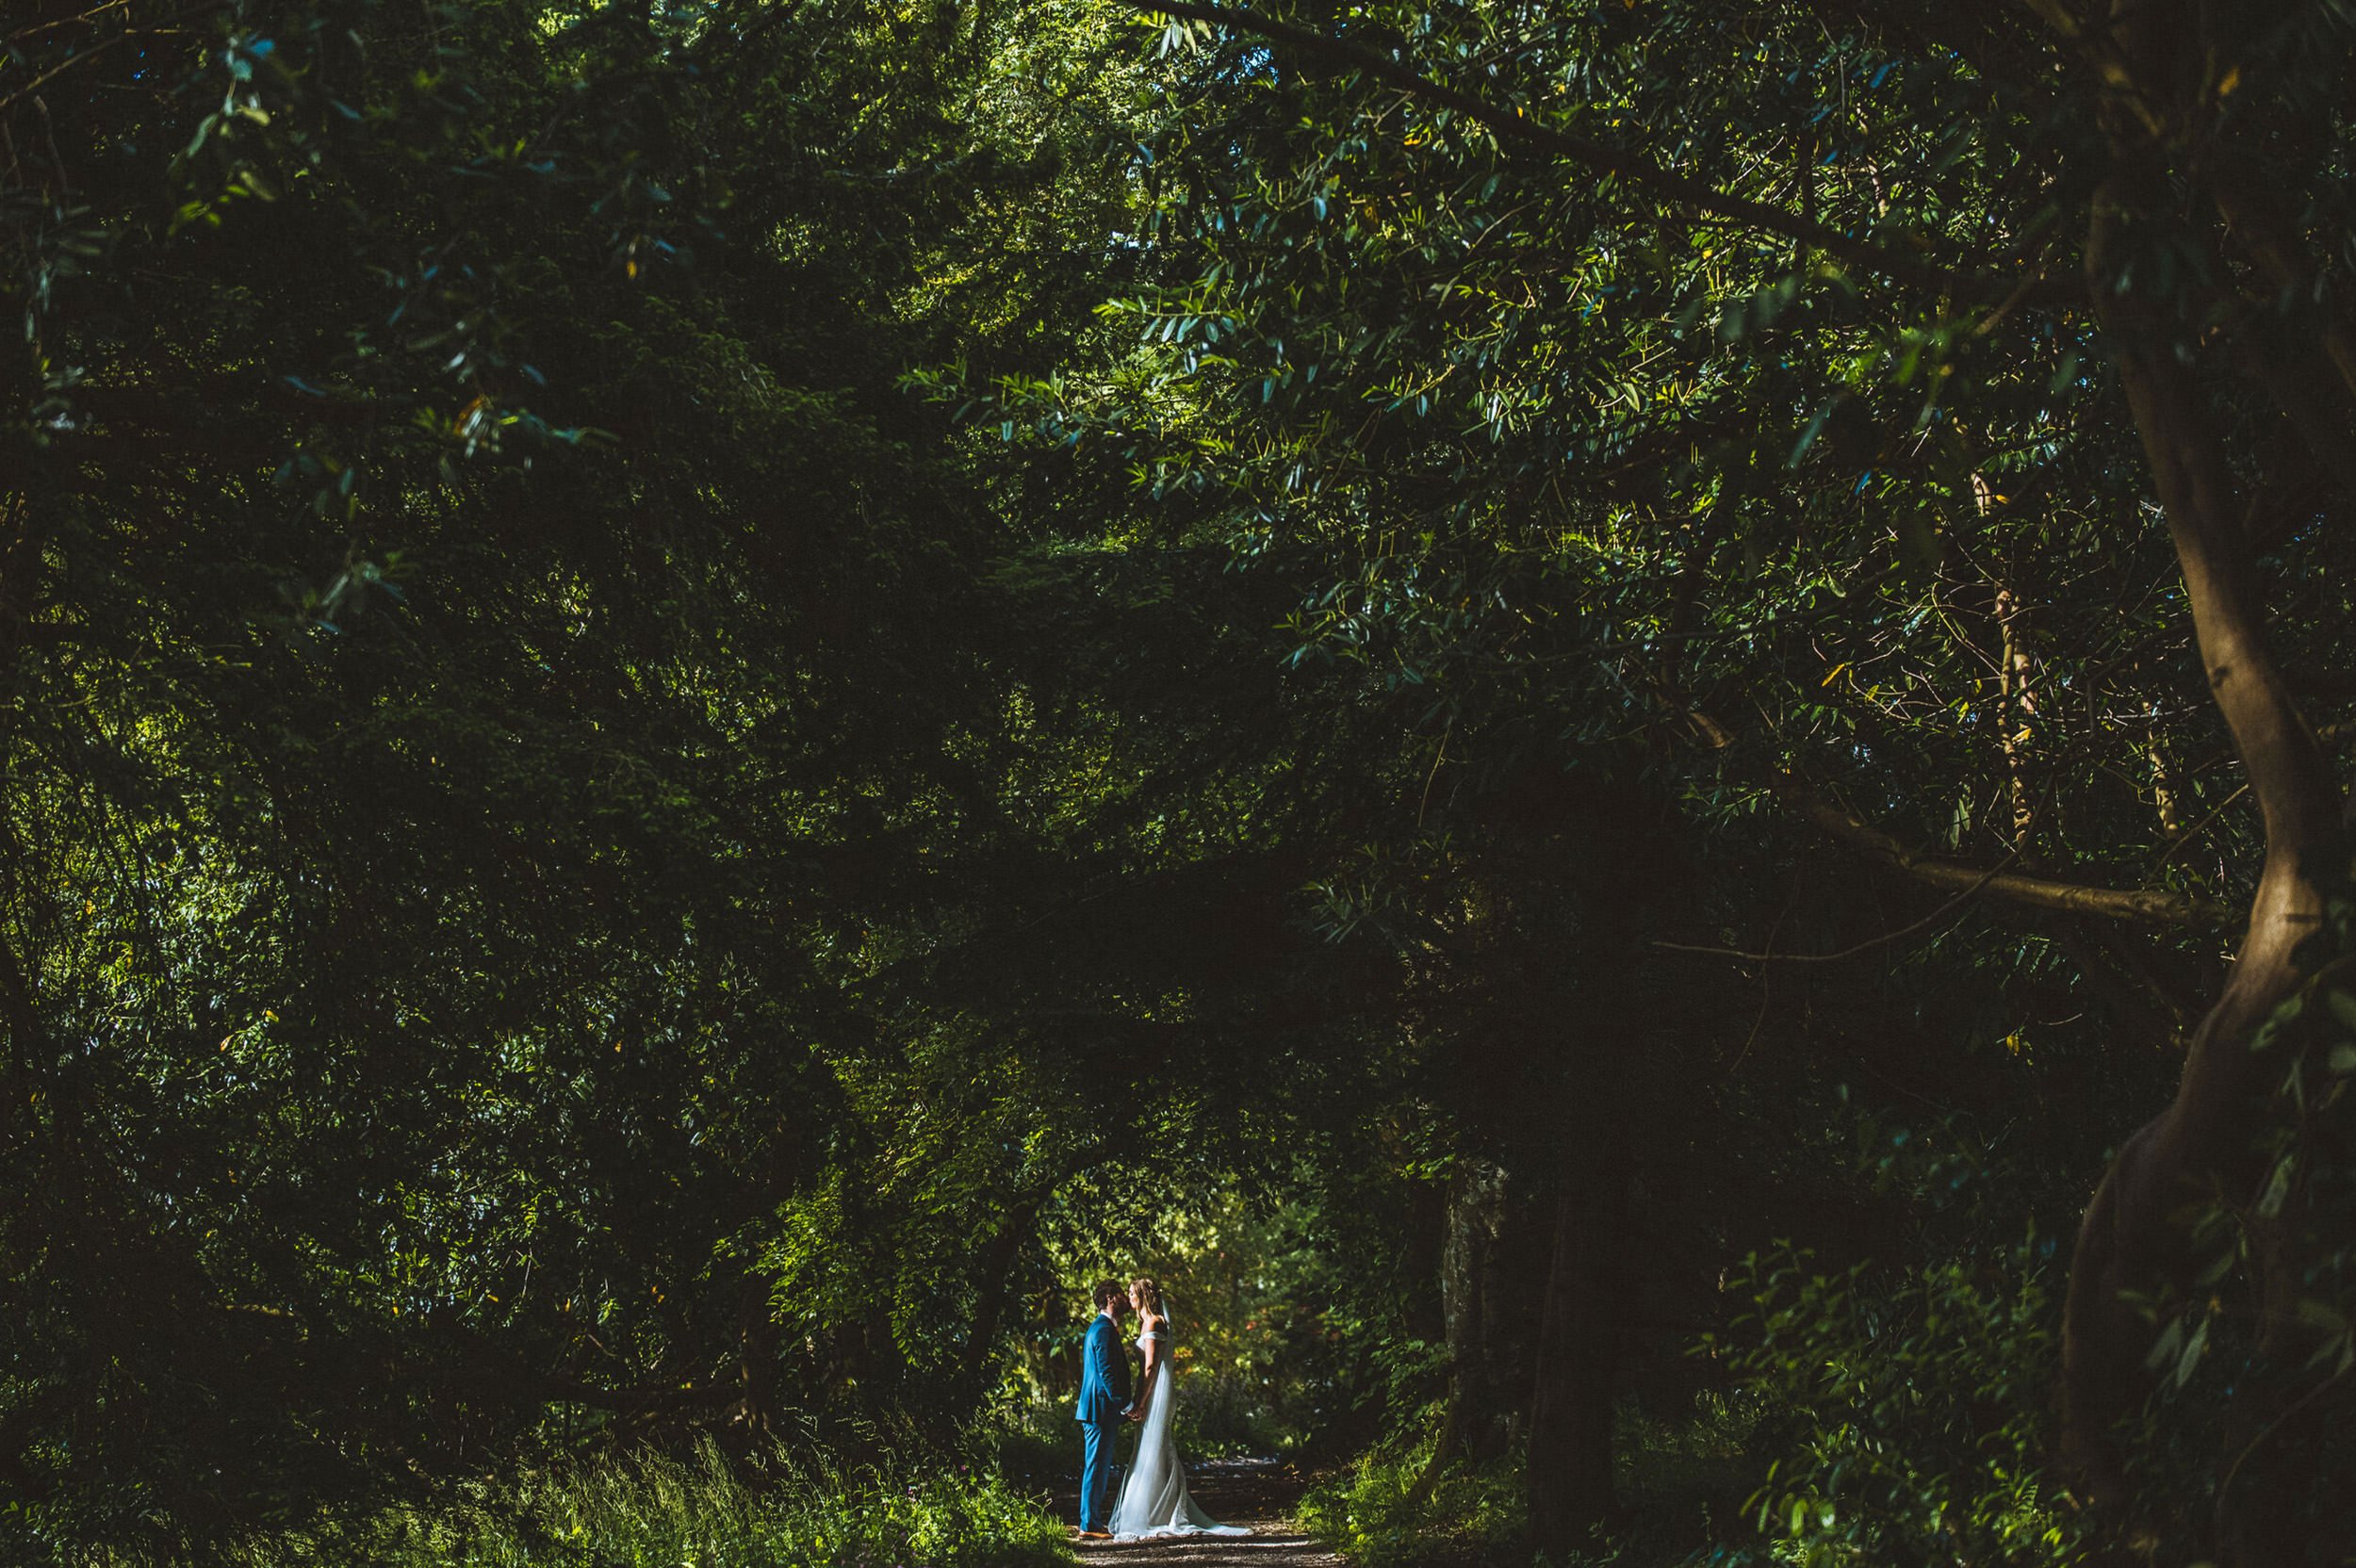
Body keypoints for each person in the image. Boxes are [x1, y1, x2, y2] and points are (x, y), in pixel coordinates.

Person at [1106, 1276, 1249, 1540]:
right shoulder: (1147, 1323)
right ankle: (1153, 1510)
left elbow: (1150, 1367)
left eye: (1132, 1293)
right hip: (1149, 1390)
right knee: (1149, 1449)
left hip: (1156, 1393)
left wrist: (1141, 1402)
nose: (1129, 1298)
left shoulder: (1155, 1322)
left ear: (1143, 1296)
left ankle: (1164, 1513)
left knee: (1157, 1447)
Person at [1074, 1279, 1134, 1539]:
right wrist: (1126, 1405)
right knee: (1096, 1465)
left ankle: (1091, 1519)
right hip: (1099, 1410)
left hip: (1099, 1409)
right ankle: (1089, 1524)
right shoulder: (1102, 1330)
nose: (1125, 1299)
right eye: (1122, 1294)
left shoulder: (1103, 1328)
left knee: (1098, 1464)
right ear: (1110, 1298)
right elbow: (1106, 1372)